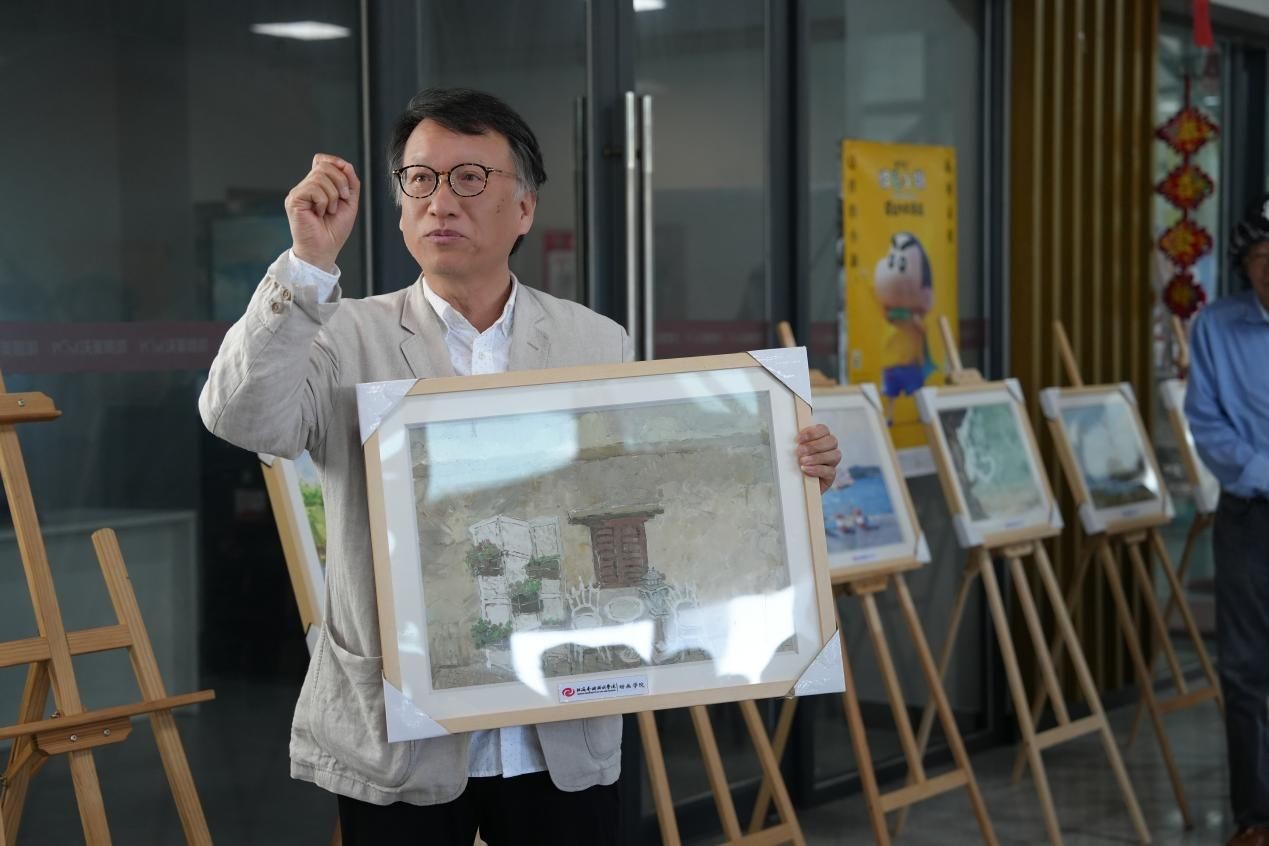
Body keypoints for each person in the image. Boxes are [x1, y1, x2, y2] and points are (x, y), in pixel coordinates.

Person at [199, 88, 842, 846]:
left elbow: (647, 487)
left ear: (525, 208)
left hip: (561, 733)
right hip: (401, 732)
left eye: (470, 178)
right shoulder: (341, 335)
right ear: (399, 206)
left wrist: (785, 468)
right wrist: (309, 265)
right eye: (420, 178)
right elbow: (239, 416)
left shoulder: (594, 341)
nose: (441, 200)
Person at [1185, 193, 1269, 846]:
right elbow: (1205, 423)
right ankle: (1254, 815)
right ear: (1244, 264)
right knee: (1244, 669)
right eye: (1261, 256)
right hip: (1248, 515)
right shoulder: (1214, 326)